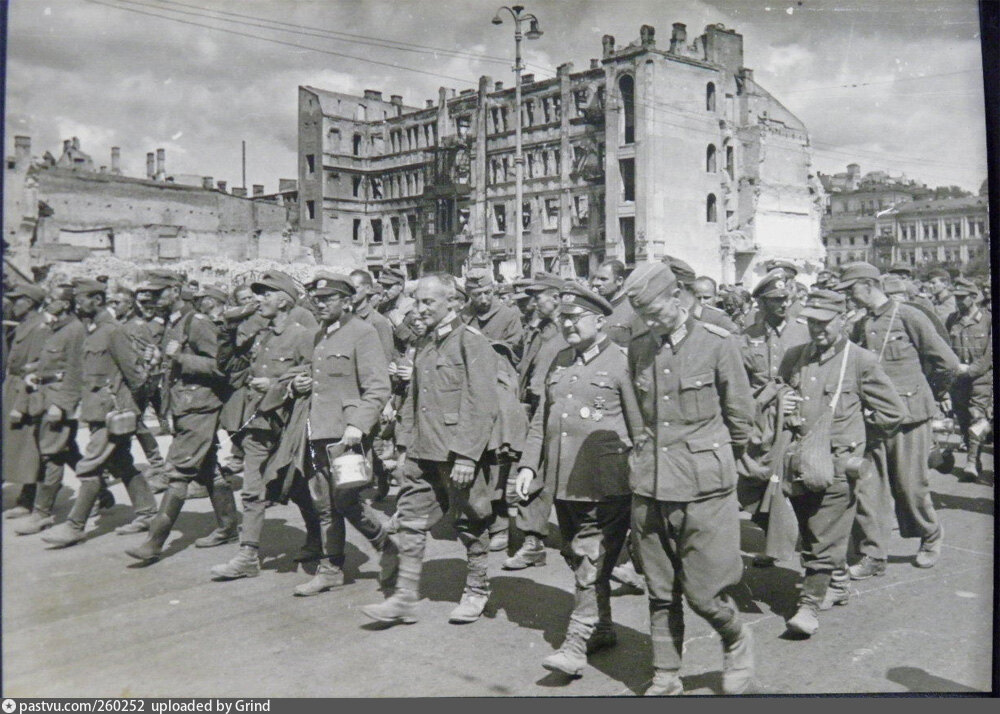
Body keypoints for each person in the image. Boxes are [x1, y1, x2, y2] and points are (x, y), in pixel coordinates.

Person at [623, 262, 756, 696]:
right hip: (651, 483)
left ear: (678, 297)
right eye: (642, 315)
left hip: (703, 487)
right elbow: (643, 416)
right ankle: (666, 673)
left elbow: (740, 419)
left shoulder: (718, 343)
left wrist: (717, 463)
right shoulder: (641, 346)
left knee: (704, 592)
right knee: (660, 588)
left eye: (655, 311)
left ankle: (735, 636)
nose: (650, 321)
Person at [514, 283, 640, 677]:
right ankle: (602, 626)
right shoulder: (560, 360)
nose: (566, 324)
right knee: (576, 555)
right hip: (563, 480)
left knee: (589, 558)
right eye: (562, 318)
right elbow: (543, 421)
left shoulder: (621, 363)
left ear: (600, 321)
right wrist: (528, 466)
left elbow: (639, 429)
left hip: (606, 483)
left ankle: (576, 643)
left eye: (574, 318)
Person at [362, 273, 499, 626]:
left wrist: (468, 454)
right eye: (418, 302)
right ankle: (405, 597)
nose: (420, 309)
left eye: (429, 302)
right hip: (422, 449)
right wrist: (404, 446)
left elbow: (481, 402)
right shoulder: (424, 344)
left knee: (470, 520)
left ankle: (477, 589)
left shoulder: (472, 343)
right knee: (409, 518)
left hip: (455, 453)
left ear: (452, 303)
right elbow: (413, 400)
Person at [776, 290, 905, 637]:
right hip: (799, 461)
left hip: (837, 464)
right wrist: (781, 405)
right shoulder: (794, 357)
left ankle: (809, 606)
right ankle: (837, 581)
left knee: (823, 535)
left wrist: (859, 443)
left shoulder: (859, 360)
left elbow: (893, 412)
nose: (818, 329)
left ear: (843, 319)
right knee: (808, 530)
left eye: (825, 322)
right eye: (812, 322)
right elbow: (778, 393)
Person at [836, 263, 959, 577]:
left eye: (851, 290)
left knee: (909, 487)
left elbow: (946, 362)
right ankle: (873, 555)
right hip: (874, 417)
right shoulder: (861, 324)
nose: (849, 297)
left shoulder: (909, 316)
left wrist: (925, 393)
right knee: (868, 488)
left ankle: (930, 535)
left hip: (910, 417)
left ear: (867, 285)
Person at [209, 270, 323, 582]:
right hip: (258, 424)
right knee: (253, 488)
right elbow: (230, 368)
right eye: (258, 294)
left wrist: (274, 384)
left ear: (285, 301)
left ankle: (316, 537)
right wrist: (228, 328)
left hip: (286, 426)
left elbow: (312, 374)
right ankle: (248, 555)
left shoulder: (302, 335)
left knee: (294, 484)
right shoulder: (262, 335)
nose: (259, 300)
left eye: (267, 294)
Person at [286, 273, 395, 595]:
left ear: (347, 302)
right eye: (316, 300)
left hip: (348, 434)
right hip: (320, 430)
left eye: (327, 300)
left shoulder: (363, 333)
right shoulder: (321, 335)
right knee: (325, 504)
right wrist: (297, 385)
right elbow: (316, 378)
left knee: (345, 499)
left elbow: (378, 387)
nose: (319, 305)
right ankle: (330, 567)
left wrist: (357, 426)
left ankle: (388, 545)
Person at [125, 273, 239, 563]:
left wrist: (180, 359)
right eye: (147, 293)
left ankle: (154, 542)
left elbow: (220, 367)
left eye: (158, 291)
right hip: (185, 406)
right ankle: (228, 527)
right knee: (208, 467)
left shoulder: (196, 322)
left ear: (174, 290)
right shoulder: (172, 323)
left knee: (178, 470)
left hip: (200, 407)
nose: (150, 298)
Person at [41, 279, 158, 546]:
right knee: (121, 463)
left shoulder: (112, 331)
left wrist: (124, 407)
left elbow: (136, 376)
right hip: (96, 411)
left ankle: (74, 526)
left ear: (97, 299)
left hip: (110, 412)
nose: (77, 304)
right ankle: (148, 512)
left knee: (89, 465)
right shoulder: (91, 330)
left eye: (81, 299)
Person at [737, 269, 811, 567]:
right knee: (751, 485)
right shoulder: (746, 337)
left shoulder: (804, 331)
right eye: (776, 300)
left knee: (793, 486)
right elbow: (740, 382)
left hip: (794, 419)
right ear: (762, 303)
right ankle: (774, 541)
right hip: (760, 420)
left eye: (786, 298)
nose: (783, 304)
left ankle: (808, 551)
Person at [14, 283, 86, 536]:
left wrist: (62, 405)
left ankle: (42, 514)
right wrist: (34, 370)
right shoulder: (56, 328)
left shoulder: (76, 330)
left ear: (65, 303)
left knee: (52, 455)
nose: (47, 303)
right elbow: (52, 362)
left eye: (53, 299)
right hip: (43, 397)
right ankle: (102, 494)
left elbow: (76, 371)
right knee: (64, 450)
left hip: (58, 401)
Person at [505, 274, 566, 570]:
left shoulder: (567, 331)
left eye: (538, 296)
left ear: (555, 298)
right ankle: (533, 541)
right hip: (534, 406)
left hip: (554, 406)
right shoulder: (539, 329)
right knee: (532, 471)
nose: (532, 303)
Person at [2, 283, 50, 520]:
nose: (11, 304)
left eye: (16, 299)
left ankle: (28, 498)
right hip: (11, 387)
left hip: (26, 391)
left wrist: (21, 403)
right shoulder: (24, 325)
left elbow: (34, 370)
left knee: (29, 446)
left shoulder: (40, 327)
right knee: (12, 443)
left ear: (29, 302)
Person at [946, 278, 992, 482]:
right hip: (958, 380)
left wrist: (971, 370)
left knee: (977, 416)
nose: (957, 301)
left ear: (973, 297)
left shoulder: (988, 319)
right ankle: (975, 458)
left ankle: (971, 462)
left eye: (961, 297)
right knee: (963, 419)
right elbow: (947, 348)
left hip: (981, 379)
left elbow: (990, 353)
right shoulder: (952, 319)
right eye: (955, 297)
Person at [461, 268, 524, 360]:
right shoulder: (462, 316)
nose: (483, 300)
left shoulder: (509, 316)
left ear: (493, 289)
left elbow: (516, 352)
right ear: (468, 293)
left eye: (487, 293)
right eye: (477, 294)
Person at [663, 256, 738, 333]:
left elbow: (736, 342)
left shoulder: (716, 319)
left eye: (663, 286)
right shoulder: (663, 318)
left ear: (679, 286)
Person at [590, 259, 634, 347]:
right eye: (594, 278)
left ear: (619, 281)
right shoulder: (594, 309)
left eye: (603, 279)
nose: (595, 283)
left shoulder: (633, 310)